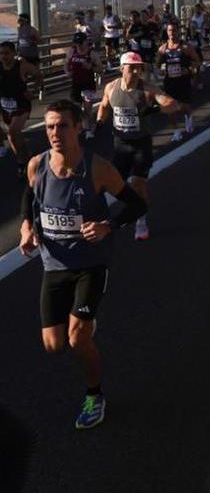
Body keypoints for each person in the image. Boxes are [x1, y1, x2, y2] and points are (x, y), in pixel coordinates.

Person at [18, 100, 147, 430]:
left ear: (78, 128)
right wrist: (26, 227)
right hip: (54, 264)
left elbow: (135, 204)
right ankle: (84, 323)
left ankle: (94, 395)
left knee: (77, 339)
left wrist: (107, 225)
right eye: (49, 126)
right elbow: (29, 198)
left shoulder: (98, 168)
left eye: (62, 126)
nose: (55, 133)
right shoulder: (37, 165)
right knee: (53, 345)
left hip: (91, 262)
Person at [97, 52, 181, 240]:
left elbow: (172, 104)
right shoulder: (111, 88)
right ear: (121, 69)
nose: (136, 71)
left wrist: (155, 108)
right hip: (120, 145)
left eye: (138, 67)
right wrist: (100, 122)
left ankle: (141, 222)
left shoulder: (147, 89)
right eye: (131, 67)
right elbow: (104, 106)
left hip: (141, 145)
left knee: (138, 184)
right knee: (113, 184)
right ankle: (131, 209)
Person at [1, 41, 42, 175]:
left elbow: (38, 74)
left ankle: (21, 162)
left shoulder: (22, 66)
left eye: (6, 53)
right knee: (16, 134)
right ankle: (27, 154)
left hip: (21, 104)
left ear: (14, 53)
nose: (3, 56)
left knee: (12, 133)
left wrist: (35, 92)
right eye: (1, 53)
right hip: (5, 106)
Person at [156, 23, 200, 142]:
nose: (172, 33)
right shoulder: (162, 49)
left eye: (174, 30)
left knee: (184, 106)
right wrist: (161, 71)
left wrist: (189, 69)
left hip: (183, 81)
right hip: (169, 82)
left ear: (178, 32)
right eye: (170, 30)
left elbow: (197, 61)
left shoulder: (185, 47)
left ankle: (188, 117)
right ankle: (176, 131)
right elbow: (157, 65)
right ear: (167, 32)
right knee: (169, 107)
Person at [64, 32, 102, 140]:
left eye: (81, 43)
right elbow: (66, 64)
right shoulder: (72, 51)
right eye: (77, 43)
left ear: (86, 42)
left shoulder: (92, 53)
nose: (79, 45)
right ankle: (84, 126)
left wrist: (91, 67)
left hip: (88, 84)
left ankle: (89, 129)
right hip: (76, 84)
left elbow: (101, 69)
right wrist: (67, 72)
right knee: (75, 109)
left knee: (87, 109)